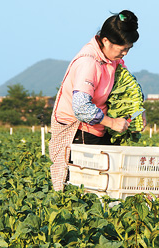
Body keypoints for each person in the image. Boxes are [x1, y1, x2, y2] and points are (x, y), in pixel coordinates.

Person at [49, 10, 144, 191]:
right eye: (122, 48)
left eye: (128, 49)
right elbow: (81, 107)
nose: (125, 53)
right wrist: (112, 122)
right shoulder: (89, 63)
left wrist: (138, 111)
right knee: (82, 188)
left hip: (97, 127)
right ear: (106, 41)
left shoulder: (111, 58)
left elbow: (127, 85)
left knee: (103, 184)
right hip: (78, 130)